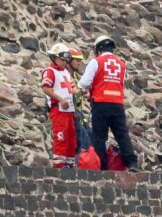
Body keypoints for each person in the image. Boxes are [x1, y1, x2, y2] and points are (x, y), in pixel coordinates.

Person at [78, 35, 139, 171]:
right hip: (117, 104)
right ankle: (132, 163)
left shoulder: (96, 62)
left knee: (99, 137)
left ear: (98, 49)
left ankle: (101, 166)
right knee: (122, 134)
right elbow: (118, 84)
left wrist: (84, 90)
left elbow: (84, 83)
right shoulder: (121, 64)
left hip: (101, 104)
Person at [39, 43, 76, 168]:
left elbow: (69, 91)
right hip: (58, 110)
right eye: (61, 59)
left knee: (71, 140)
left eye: (66, 60)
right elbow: (45, 88)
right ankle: (59, 169)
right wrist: (60, 99)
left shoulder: (66, 72)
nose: (64, 62)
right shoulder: (50, 71)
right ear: (54, 58)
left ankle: (70, 166)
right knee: (61, 138)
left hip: (69, 112)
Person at [66, 47, 91, 154]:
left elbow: (79, 90)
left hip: (77, 112)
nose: (79, 63)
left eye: (80, 60)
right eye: (77, 60)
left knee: (89, 136)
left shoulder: (75, 75)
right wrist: (82, 92)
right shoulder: (65, 75)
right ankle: (80, 166)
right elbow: (73, 92)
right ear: (68, 59)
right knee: (83, 141)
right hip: (70, 113)